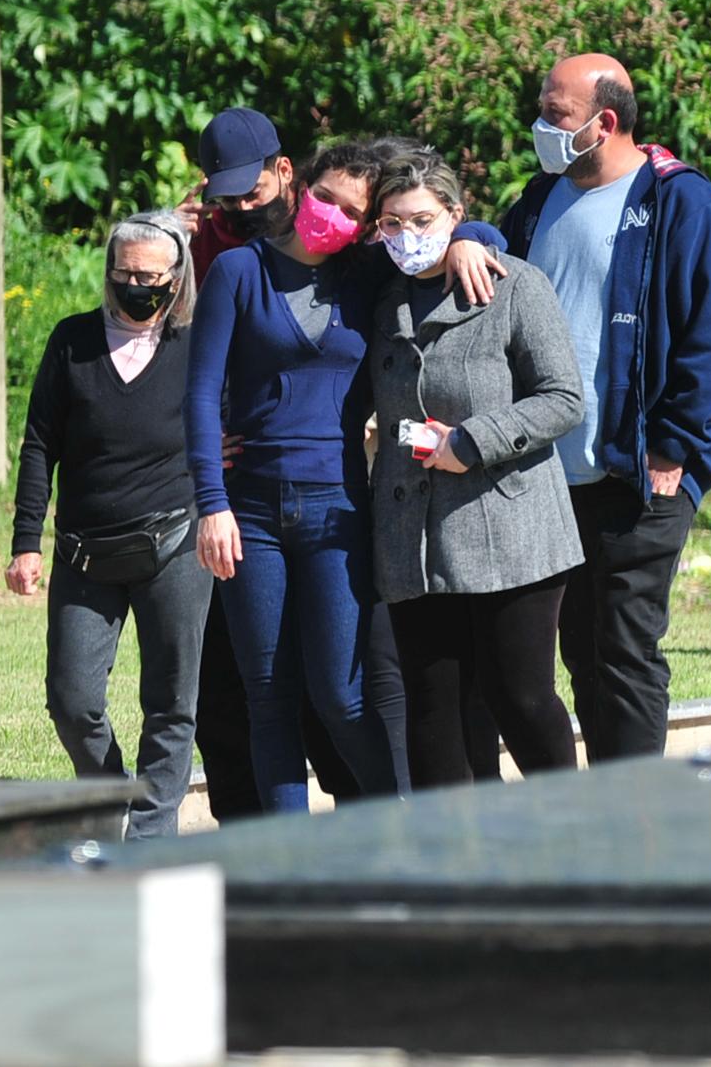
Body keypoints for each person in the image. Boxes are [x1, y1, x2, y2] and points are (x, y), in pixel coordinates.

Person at [187, 139, 508, 812]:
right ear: (301, 187)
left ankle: (396, 825)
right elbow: (198, 392)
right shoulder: (240, 272)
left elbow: (441, 224)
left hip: (338, 507)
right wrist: (210, 505)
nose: (328, 212)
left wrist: (471, 238)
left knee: (341, 690)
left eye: (348, 209)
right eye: (322, 195)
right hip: (247, 512)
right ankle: (293, 863)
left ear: (367, 227)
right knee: (268, 693)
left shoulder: (368, 278)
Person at [500, 53, 711, 764]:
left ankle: (643, 821)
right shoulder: (539, 197)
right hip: (550, 471)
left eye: (556, 115)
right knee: (581, 652)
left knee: (622, 648)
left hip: (639, 469)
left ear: (605, 122)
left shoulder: (678, 200)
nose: (541, 127)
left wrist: (673, 441)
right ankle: (608, 811)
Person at [368, 152, 586, 788]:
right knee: (434, 711)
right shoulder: (381, 302)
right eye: (390, 222)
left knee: (518, 697)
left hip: (511, 530)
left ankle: (572, 829)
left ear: (456, 217)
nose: (407, 236)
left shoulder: (514, 284)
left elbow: (562, 397)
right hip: (413, 536)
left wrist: (474, 439)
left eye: (424, 220)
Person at [7, 212, 212, 838]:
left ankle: (151, 832)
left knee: (172, 703)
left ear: (176, 278)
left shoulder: (198, 344)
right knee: (71, 700)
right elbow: (40, 442)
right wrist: (26, 542)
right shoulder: (72, 340)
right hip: (83, 553)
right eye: (125, 273)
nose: (137, 285)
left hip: (176, 543)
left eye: (151, 275)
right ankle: (109, 796)